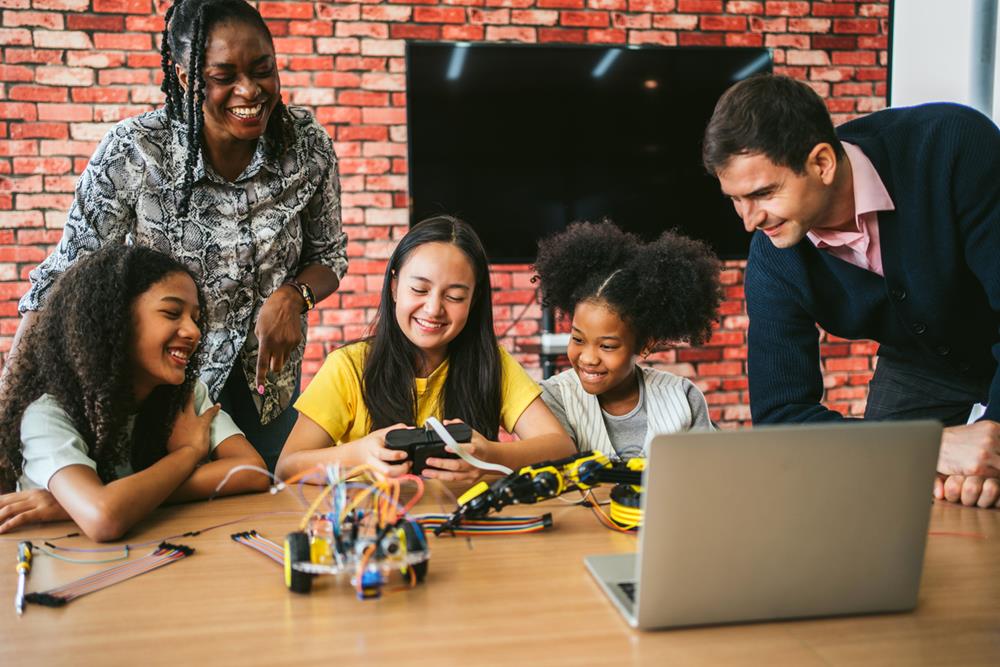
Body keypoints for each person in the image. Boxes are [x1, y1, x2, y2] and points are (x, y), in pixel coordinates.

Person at [11, 0, 347, 471]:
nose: (249, 90)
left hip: (266, 388)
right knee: (163, 516)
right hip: (165, 395)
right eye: (223, 76)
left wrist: (294, 296)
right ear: (189, 79)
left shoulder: (307, 146)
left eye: (262, 69)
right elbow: (63, 280)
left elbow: (329, 256)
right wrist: (9, 412)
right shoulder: (135, 152)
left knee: (268, 500)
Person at [701, 74, 1000, 508]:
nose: (750, 221)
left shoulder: (953, 146)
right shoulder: (774, 259)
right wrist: (929, 445)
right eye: (735, 199)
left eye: (763, 193)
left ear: (822, 163)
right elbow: (782, 418)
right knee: (883, 496)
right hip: (920, 362)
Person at [276, 216, 575, 482]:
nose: (433, 309)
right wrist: (359, 456)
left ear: (475, 299)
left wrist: (490, 456)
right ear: (394, 287)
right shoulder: (349, 367)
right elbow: (288, 467)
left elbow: (561, 447)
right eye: (419, 290)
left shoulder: (492, 364)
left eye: (455, 296)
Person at [0, 246, 268, 541]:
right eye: (172, 313)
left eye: (196, 318)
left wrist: (85, 503)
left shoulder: (184, 395)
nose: (194, 332)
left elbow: (251, 470)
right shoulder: (49, 413)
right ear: (115, 318)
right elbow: (104, 518)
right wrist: (188, 454)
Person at [533, 221, 720, 459]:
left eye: (607, 346)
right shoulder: (554, 397)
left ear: (645, 346)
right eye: (578, 339)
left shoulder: (683, 396)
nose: (588, 358)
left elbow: (709, 474)